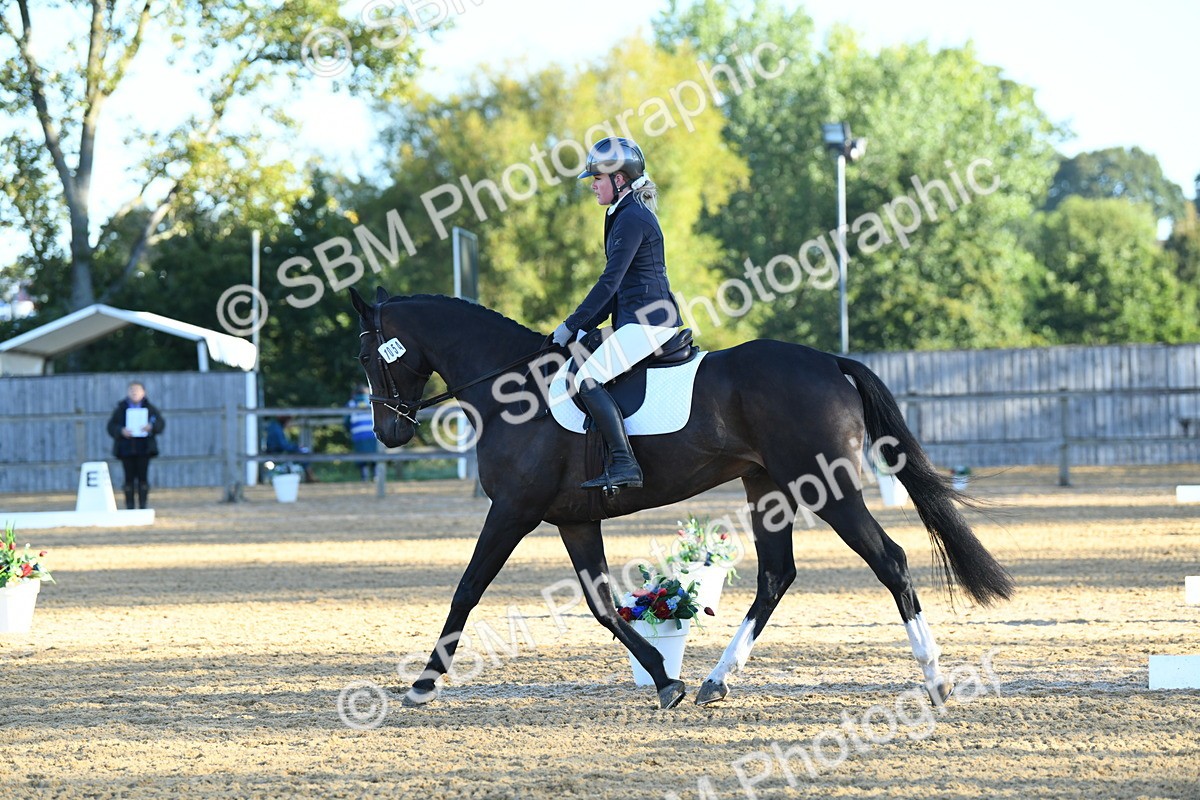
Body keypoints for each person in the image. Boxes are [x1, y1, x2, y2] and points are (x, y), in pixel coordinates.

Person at [551, 137, 682, 491]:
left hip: (649, 322)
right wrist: (585, 327)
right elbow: (617, 288)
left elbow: (608, 284)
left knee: (586, 380)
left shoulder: (632, 218)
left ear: (619, 179)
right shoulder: (623, 214)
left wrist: (570, 324)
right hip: (635, 319)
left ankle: (625, 464)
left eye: (598, 178)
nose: (593, 184)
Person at [106, 381, 166, 509]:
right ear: (128, 392)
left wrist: (151, 427)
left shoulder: (150, 408)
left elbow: (160, 424)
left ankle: (143, 505)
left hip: (144, 449)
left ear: (143, 392)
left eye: (137, 390)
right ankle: (129, 506)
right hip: (126, 449)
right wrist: (121, 431)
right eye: (132, 390)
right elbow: (111, 426)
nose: (134, 392)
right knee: (128, 480)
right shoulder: (121, 409)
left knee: (142, 479)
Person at [264, 415, 317, 483]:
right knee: (304, 453)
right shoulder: (277, 429)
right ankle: (309, 476)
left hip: (277, 451)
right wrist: (296, 447)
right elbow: (283, 446)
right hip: (277, 452)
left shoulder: (276, 427)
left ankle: (309, 475)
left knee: (303, 452)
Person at [345, 385, 377, 481]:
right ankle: (376, 475)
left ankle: (364, 476)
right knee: (375, 455)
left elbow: (346, 421)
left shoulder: (351, 404)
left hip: (358, 434)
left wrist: (349, 430)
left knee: (361, 456)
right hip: (373, 432)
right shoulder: (372, 401)